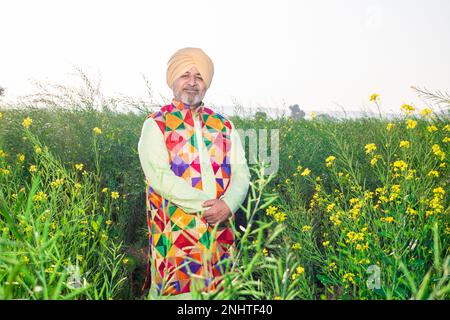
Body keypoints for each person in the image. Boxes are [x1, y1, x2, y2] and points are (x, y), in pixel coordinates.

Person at [138, 47, 250, 299]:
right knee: (179, 294)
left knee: (222, 294)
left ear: (206, 83)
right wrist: (208, 206)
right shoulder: (156, 124)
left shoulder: (224, 125)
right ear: (173, 80)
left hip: (220, 232)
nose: (191, 82)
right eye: (185, 75)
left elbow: (241, 172)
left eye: (198, 76)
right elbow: (159, 177)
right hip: (176, 233)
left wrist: (229, 205)